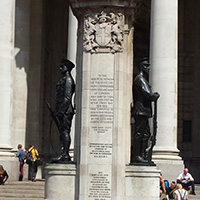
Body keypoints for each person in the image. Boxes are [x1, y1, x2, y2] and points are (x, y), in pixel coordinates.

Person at [131, 58, 160, 163]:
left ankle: (143, 155)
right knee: (139, 133)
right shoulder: (140, 79)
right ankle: (137, 156)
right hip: (140, 111)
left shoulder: (143, 79)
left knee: (146, 134)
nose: (149, 68)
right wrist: (154, 96)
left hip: (144, 111)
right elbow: (147, 94)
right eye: (146, 66)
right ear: (142, 67)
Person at [51, 59, 75, 163]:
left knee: (65, 131)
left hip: (66, 110)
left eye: (62, 66)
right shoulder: (64, 79)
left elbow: (67, 98)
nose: (60, 68)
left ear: (67, 68)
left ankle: (65, 154)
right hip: (62, 110)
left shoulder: (68, 80)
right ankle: (63, 152)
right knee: (62, 131)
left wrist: (60, 112)